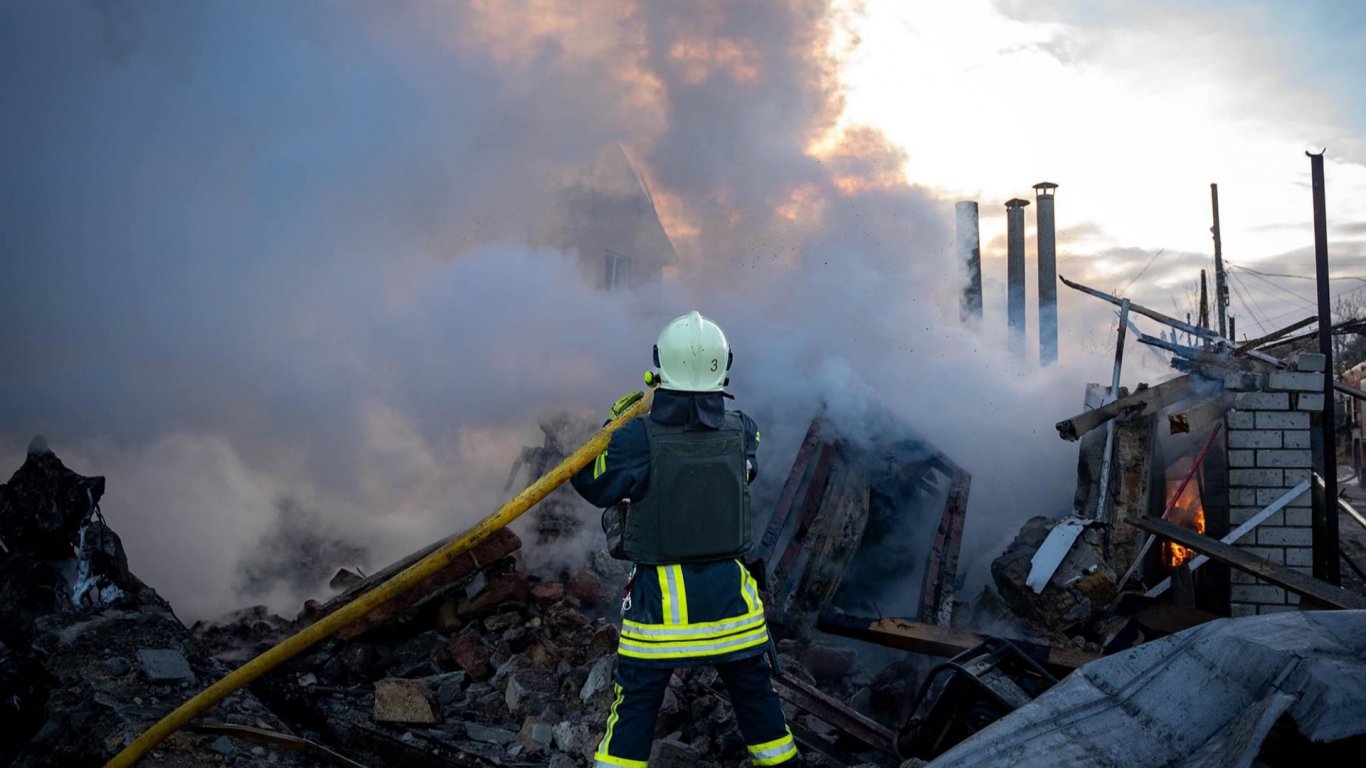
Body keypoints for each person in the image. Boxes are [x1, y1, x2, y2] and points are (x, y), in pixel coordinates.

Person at [570, 311, 799, 768]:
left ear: (659, 364)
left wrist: (612, 428)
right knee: (760, 709)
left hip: (661, 613)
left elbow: (592, 481)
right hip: (733, 608)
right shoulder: (743, 429)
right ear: (723, 366)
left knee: (633, 714)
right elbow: (744, 470)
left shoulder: (637, 438)